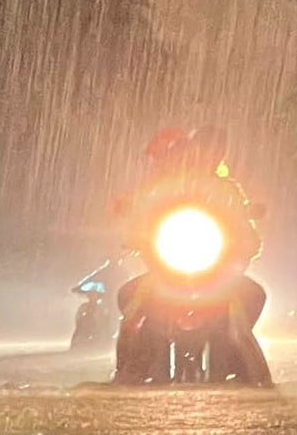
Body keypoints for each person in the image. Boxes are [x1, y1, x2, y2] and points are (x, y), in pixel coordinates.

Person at [110, 126, 271, 386]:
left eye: (216, 151)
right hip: (166, 270)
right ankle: (128, 369)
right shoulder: (163, 188)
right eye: (203, 149)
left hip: (217, 272)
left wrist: (243, 244)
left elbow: (247, 234)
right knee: (129, 301)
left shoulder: (227, 190)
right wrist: (134, 229)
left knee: (254, 297)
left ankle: (244, 368)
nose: (208, 156)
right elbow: (139, 220)